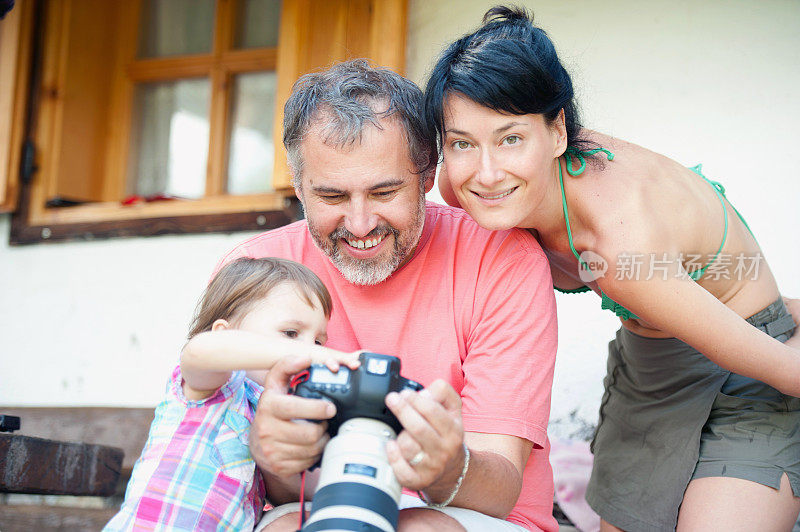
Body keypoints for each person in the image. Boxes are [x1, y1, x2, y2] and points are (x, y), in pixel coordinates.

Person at [423, 6, 800, 532]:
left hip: (751, 371)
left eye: (510, 138)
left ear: (558, 132)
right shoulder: (464, 188)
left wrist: (781, 317)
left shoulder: (619, 244)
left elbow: (784, 369)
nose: (485, 173)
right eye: (462, 142)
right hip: (649, 373)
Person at [215, 60, 559, 531]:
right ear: (298, 186)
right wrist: (275, 457)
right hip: (310, 509)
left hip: (463, 514)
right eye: (332, 197)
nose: (359, 225)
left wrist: (446, 466)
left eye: (384, 192)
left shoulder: (498, 257)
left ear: (426, 174)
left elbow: (499, 489)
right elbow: (226, 473)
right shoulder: (254, 273)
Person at [105, 257, 359, 531]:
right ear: (224, 334)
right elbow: (201, 350)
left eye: (318, 341)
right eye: (290, 333)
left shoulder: (278, 413)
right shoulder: (215, 386)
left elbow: (302, 491)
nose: (309, 351)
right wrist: (318, 355)